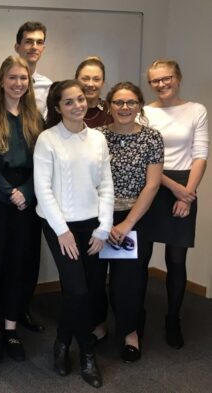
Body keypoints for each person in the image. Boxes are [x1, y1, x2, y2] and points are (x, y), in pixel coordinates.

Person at [34, 80, 113, 388]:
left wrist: (103, 227)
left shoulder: (98, 139)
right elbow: (43, 189)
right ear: (57, 108)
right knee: (77, 290)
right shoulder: (48, 139)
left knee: (90, 290)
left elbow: (106, 186)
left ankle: (63, 342)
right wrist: (62, 231)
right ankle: (87, 354)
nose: (78, 105)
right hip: (59, 225)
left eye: (80, 99)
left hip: (92, 225)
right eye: (69, 102)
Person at [0, 56, 44, 364]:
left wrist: (26, 193)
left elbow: (44, 162)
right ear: (2, 81)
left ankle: (11, 328)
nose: (18, 83)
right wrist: (7, 192)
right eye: (12, 78)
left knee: (20, 263)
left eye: (23, 78)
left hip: (28, 199)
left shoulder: (35, 116)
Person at [138, 59, 208, 349]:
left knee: (176, 261)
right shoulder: (144, 113)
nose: (161, 84)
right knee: (139, 260)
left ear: (177, 77)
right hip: (150, 186)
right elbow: (142, 157)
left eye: (166, 78)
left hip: (184, 187)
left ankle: (172, 319)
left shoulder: (196, 110)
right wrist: (174, 187)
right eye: (155, 80)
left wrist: (187, 194)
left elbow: (200, 154)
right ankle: (136, 317)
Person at [93, 82, 163, 363]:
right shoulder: (96, 136)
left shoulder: (152, 138)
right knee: (95, 277)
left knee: (129, 280)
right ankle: (98, 324)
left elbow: (153, 184)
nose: (124, 108)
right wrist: (105, 222)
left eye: (131, 102)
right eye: (119, 102)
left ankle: (130, 332)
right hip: (100, 216)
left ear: (139, 106)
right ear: (109, 105)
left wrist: (127, 223)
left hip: (136, 217)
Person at [0, 21, 52, 119]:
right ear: (17, 47)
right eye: (28, 42)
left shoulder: (47, 86)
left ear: (43, 49)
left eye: (39, 42)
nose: (34, 47)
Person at [75, 56, 112, 128]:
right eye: (85, 79)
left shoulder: (111, 110)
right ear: (76, 81)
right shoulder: (67, 110)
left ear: (103, 83)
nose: (90, 84)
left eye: (96, 79)